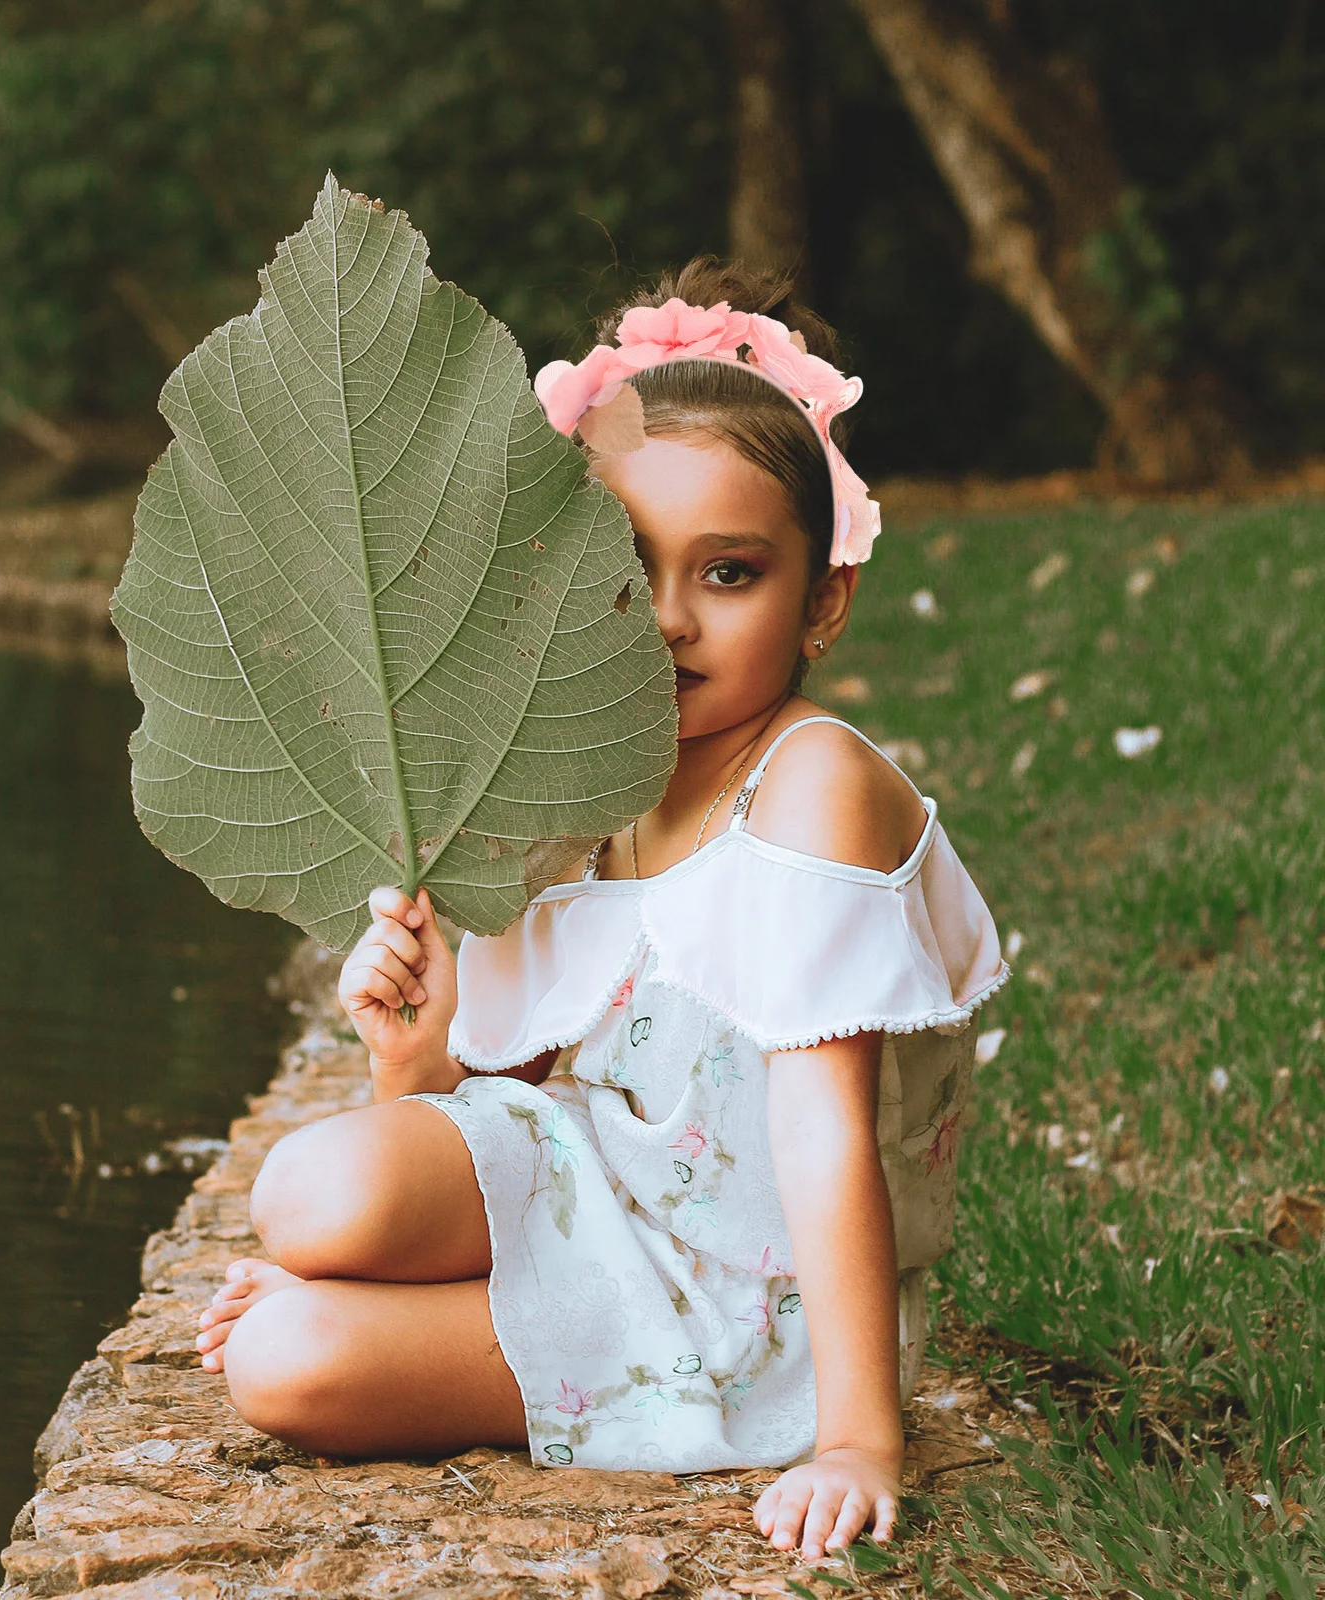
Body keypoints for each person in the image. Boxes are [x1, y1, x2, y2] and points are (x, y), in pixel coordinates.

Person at [194, 261, 1006, 1562]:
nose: (670, 621)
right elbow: (507, 1092)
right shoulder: (570, 794)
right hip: (594, 1190)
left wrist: (859, 1434)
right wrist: (411, 1050)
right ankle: (393, 1294)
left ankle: (444, 1336)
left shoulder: (814, 787)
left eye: (729, 574)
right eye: (625, 566)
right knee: (309, 1193)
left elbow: (823, 1129)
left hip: (733, 1299)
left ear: (825, 602)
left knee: (285, 1364)